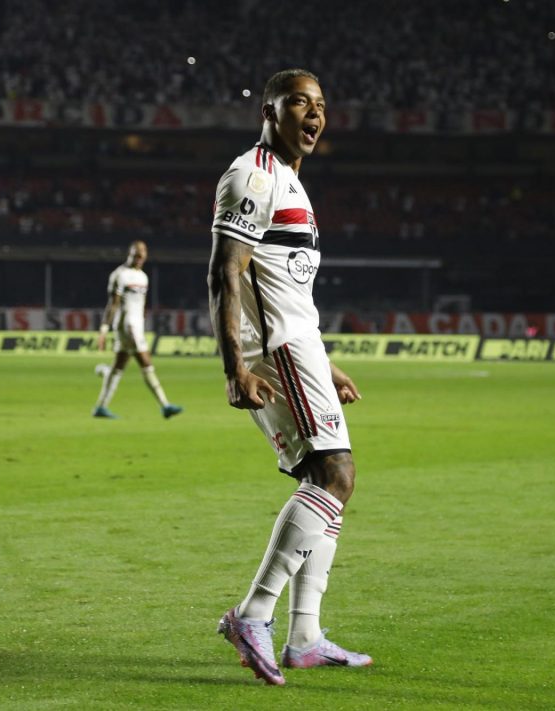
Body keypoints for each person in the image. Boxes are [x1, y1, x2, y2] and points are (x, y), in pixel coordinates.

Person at [208, 68, 371, 686]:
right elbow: (225, 274)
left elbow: (284, 286)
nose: (314, 114)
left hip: (299, 346)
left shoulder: (292, 184)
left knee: (328, 478)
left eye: (321, 104)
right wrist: (237, 367)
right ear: (268, 113)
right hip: (274, 352)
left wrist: (324, 361)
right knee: (335, 473)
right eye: (298, 102)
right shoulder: (252, 175)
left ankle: (305, 636)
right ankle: (254, 615)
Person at [92, 240, 182, 419]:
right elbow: (113, 304)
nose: (140, 258)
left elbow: (140, 304)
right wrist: (103, 329)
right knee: (146, 363)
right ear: (130, 254)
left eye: (142, 255)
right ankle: (165, 405)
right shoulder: (120, 275)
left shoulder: (143, 277)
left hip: (136, 326)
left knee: (118, 366)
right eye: (136, 255)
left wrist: (141, 322)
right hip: (126, 327)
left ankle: (101, 406)